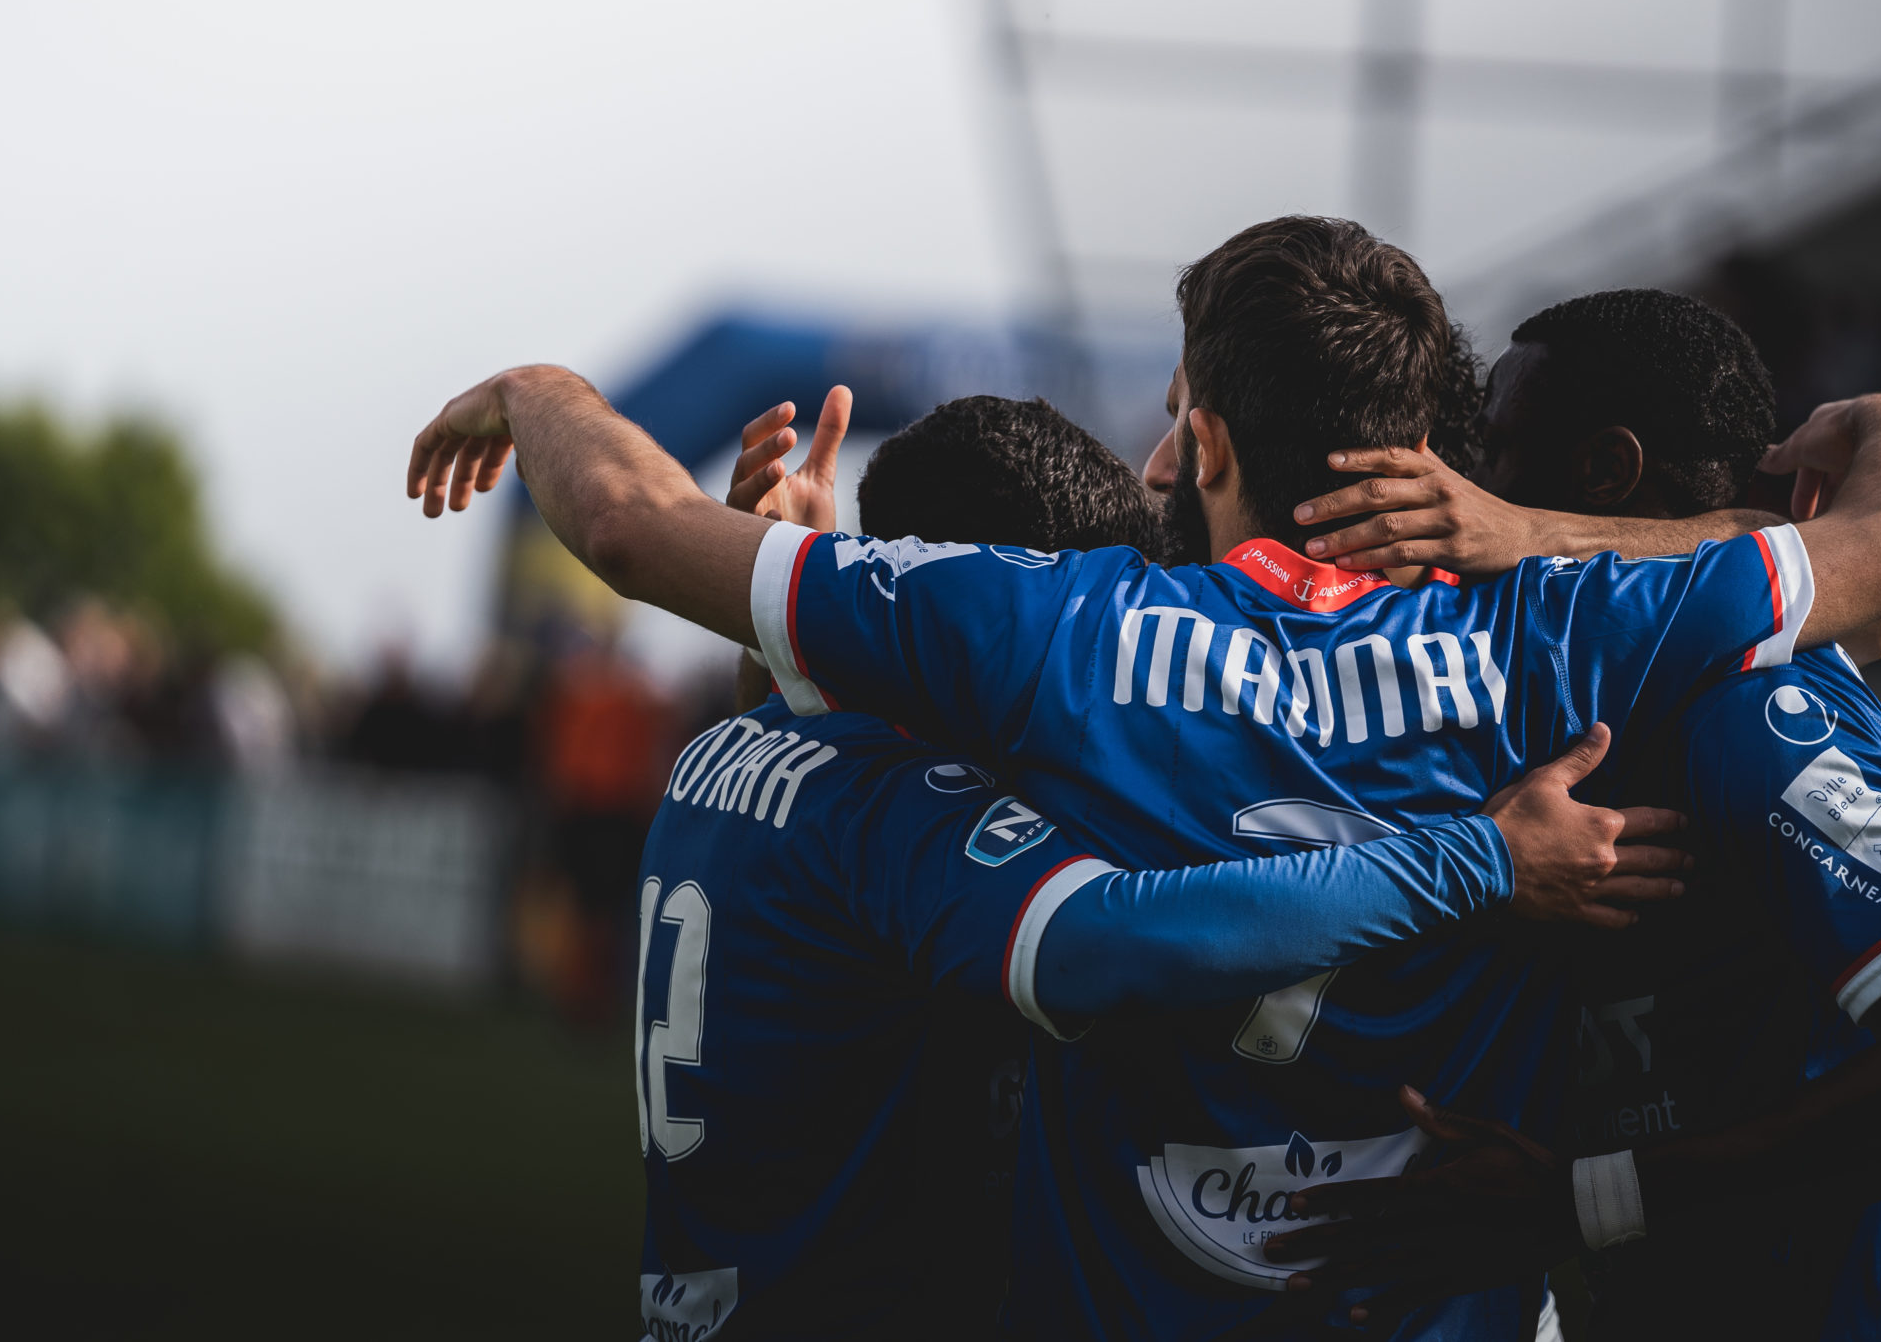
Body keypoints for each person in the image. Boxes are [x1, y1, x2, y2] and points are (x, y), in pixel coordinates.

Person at [403, 215, 1881, 1337]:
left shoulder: (1057, 632)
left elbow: (628, 525)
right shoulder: (1570, 629)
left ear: (1210, 442)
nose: (1154, 459)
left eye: (1171, 424)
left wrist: (542, 391)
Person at [629, 393, 1687, 1339]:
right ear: (968, 635)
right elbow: (1113, 939)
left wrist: (780, 633)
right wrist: (1482, 858)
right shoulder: (907, 814)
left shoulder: (733, 754)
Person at [1270, 291, 1881, 1338]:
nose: (1465, 485)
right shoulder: (1607, 692)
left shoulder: (1753, 710)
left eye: (1493, 446)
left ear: (1603, 471)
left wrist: (1578, 1201)